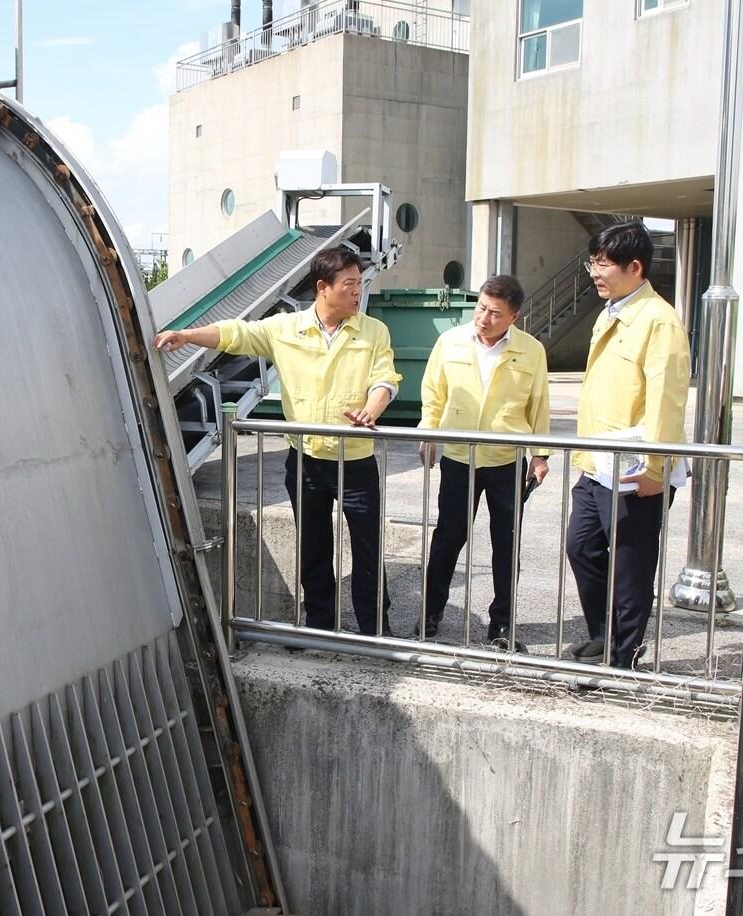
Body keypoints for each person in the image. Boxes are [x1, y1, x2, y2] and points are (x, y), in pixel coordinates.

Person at [153, 248, 401, 635]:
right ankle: (319, 625)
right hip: (305, 460)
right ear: (323, 288)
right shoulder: (286, 329)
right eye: (349, 284)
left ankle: (375, 630)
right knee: (313, 547)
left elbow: (385, 379)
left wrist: (372, 409)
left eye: (358, 283)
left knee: (368, 548)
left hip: (355, 459)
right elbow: (236, 334)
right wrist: (187, 335)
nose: (357, 292)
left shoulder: (374, 331)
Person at [566, 221, 690, 668]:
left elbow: (666, 401)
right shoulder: (612, 311)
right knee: (581, 547)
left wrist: (656, 468)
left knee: (631, 566)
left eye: (603, 264)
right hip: (600, 463)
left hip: (636, 471)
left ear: (634, 267)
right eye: (592, 263)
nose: (595, 273)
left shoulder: (658, 321)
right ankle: (605, 635)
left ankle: (622, 657)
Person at [418, 275, 550, 649]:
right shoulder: (451, 341)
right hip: (459, 456)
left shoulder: (531, 350)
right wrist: (428, 433)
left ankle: (502, 624)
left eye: (495, 313)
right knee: (448, 536)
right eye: (480, 308)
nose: (484, 318)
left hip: (506, 459)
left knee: (506, 543)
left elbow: (539, 404)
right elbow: (433, 391)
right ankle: (431, 609)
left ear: (514, 316)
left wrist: (540, 455)